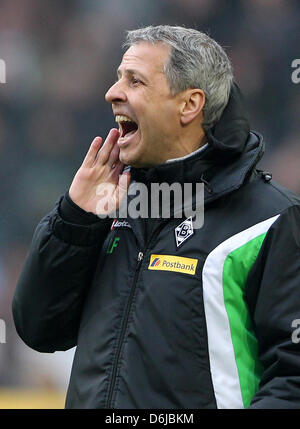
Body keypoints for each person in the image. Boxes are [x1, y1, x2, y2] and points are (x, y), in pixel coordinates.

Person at [13, 25, 300, 409]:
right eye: (118, 78)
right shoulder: (105, 207)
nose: (112, 93)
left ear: (189, 105)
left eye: (135, 81)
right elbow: (39, 329)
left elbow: (293, 379)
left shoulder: (271, 221)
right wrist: (75, 220)